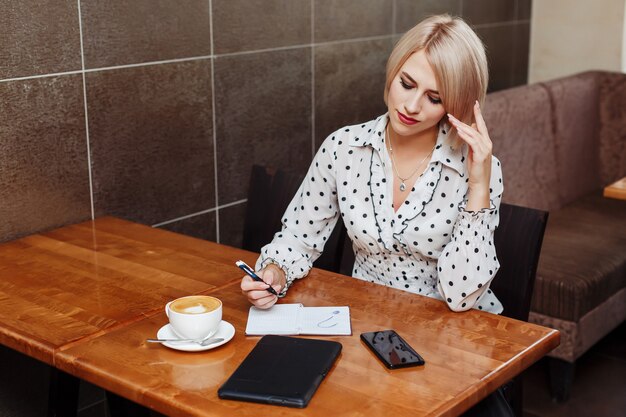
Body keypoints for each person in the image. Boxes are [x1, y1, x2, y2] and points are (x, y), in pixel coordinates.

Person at [241, 14, 503, 316]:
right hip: (368, 318)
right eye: (406, 84)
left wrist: (479, 186)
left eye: (434, 98)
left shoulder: (479, 169)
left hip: (456, 332)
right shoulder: (343, 148)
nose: (412, 106)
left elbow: (461, 297)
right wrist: (274, 273)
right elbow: (298, 239)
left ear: (454, 106)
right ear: (392, 73)